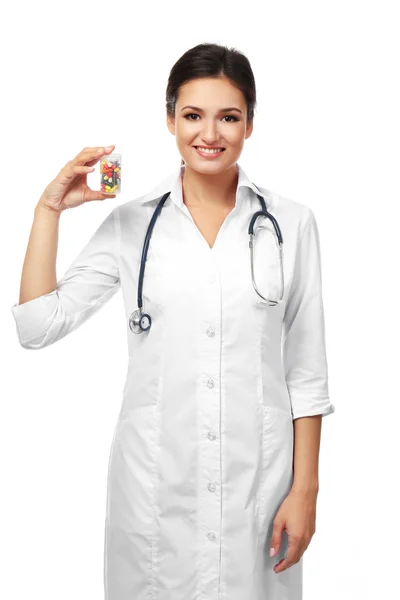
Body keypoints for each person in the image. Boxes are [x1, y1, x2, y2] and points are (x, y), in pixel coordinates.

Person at [11, 42, 335, 600]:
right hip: (155, 492)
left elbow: (306, 373)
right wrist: (48, 211)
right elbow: (38, 327)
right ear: (170, 120)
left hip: (256, 493)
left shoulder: (291, 224)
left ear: (250, 124)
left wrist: (305, 490)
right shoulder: (131, 224)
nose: (210, 133)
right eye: (192, 115)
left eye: (228, 116)